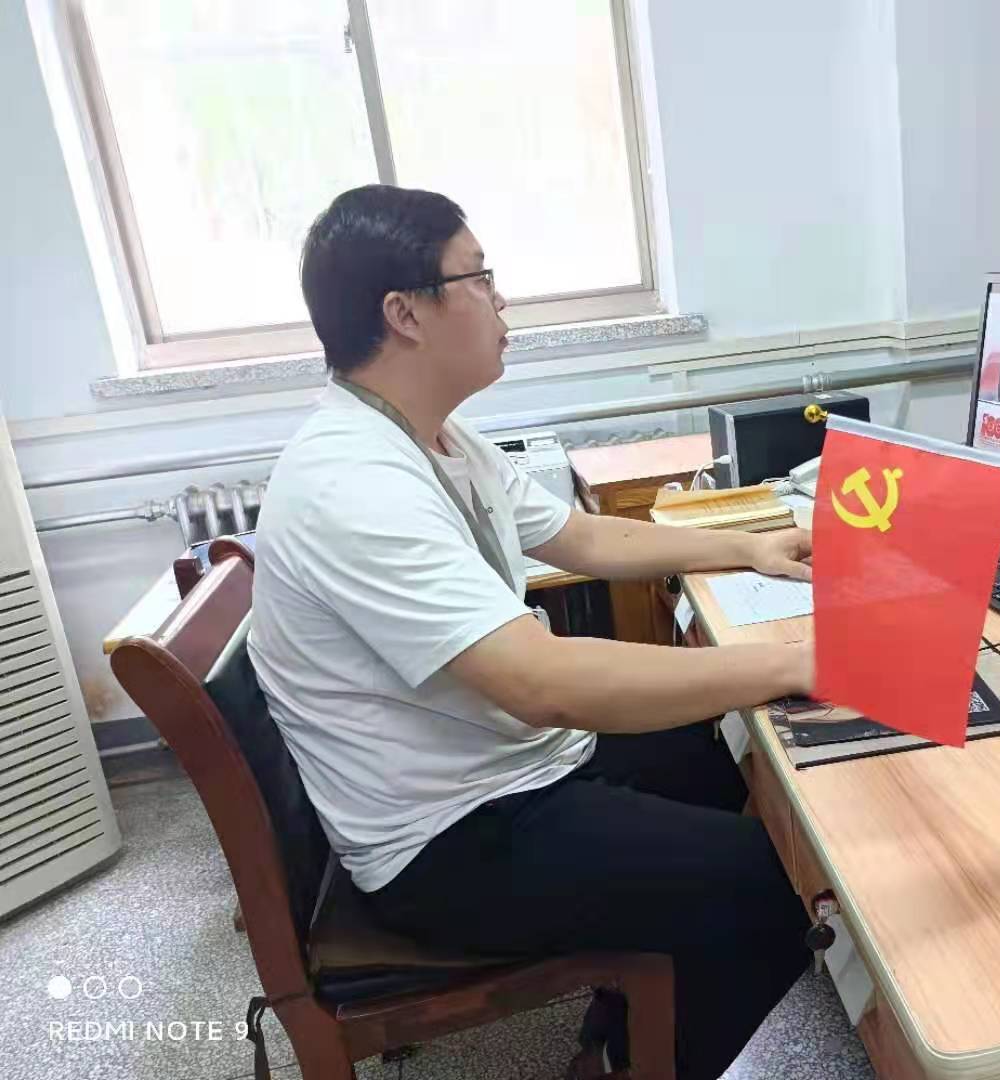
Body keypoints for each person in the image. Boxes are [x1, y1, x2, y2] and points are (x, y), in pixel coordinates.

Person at [248, 185, 815, 1080]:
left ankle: (637, 1005)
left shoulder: (435, 439)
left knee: (722, 756)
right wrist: (788, 663)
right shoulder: (350, 482)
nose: (500, 299)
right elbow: (541, 682)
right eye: (477, 277)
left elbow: (583, 538)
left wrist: (747, 546)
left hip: (504, 765)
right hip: (445, 839)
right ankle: (629, 1061)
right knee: (769, 882)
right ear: (404, 314)